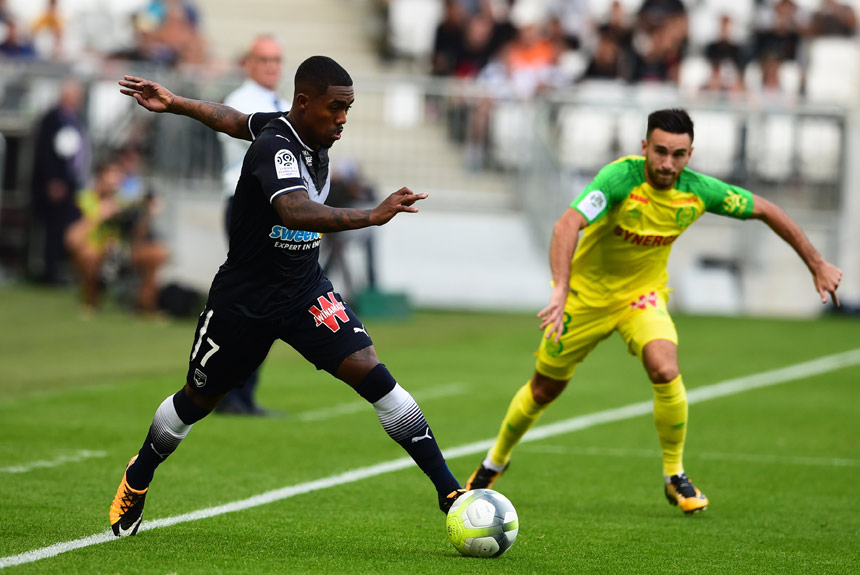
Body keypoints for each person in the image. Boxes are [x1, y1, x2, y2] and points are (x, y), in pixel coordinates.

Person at [109, 56, 465, 537]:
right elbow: (294, 211)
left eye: (348, 109)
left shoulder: (295, 129)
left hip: (304, 292)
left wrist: (175, 103)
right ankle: (140, 473)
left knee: (372, 373)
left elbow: (234, 120)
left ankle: (449, 492)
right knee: (196, 401)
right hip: (244, 302)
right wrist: (370, 215)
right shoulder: (276, 147)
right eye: (335, 108)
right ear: (304, 102)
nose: (343, 119)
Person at [464, 109, 842, 514]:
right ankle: (494, 462)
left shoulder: (700, 190)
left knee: (665, 368)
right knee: (543, 390)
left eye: (678, 154)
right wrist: (560, 288)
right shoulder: (619, 179)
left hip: (642, 296)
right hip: (584, 298)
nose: (667, 163)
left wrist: (816, 263)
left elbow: (766, 209)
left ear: (690, 154)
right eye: (659, 151)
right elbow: (566, 224)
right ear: (645, 147)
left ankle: (675, 474)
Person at [216, 34, 289, 416]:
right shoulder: (241, 103)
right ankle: (228, 391)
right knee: (252, 299)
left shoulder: (282, 104)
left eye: (276, 59)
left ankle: (239, 391)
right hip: (249, 207)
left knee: (263, 300)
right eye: (264, 59)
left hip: (274, 209)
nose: (271, 66)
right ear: (248, 63)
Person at [64, 158, 168, 314]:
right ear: (100, 177)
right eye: (111, 175)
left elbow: (138, 236)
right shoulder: (83, 199)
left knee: (158, 253)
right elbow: (71, 240)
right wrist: (99, 214)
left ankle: (145, 306)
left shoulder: (124, 202)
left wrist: (148, 213)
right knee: (88, 254)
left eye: (119, 176)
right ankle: (90, 302)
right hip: (98, 253)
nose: (115, 181)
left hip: (121, 253)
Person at [29, 79, 90, 284]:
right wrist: (53, 180)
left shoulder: (74, 119)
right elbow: (46, 152)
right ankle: (49, 272)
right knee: (52, 228)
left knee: (63, 227)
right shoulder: (53, 119)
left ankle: (58, 268)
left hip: (69, 182)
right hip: (55, 184)